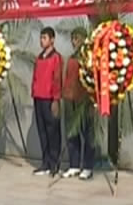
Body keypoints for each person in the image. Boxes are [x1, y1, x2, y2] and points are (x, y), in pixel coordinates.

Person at [62, 27, 96, 180]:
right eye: (72, 38)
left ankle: (88, 166)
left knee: (87, 134)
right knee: (71, 133)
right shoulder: (71, 58)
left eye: (77, 38)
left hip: (84, 101)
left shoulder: (88, 58)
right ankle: (74, 164)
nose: (74, 42)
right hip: (70, 100)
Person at [32, 26, 63, 176]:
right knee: (42, 131)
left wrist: (56, 99)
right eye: (41, 37)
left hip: (50, 99)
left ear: (52, 40)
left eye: (44, 38)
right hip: (38, 98)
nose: (41, 40)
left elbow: (57, 79)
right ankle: (45, 162)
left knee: (53, 132)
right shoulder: (39, 57)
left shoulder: (56, 57)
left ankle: (54, 163)